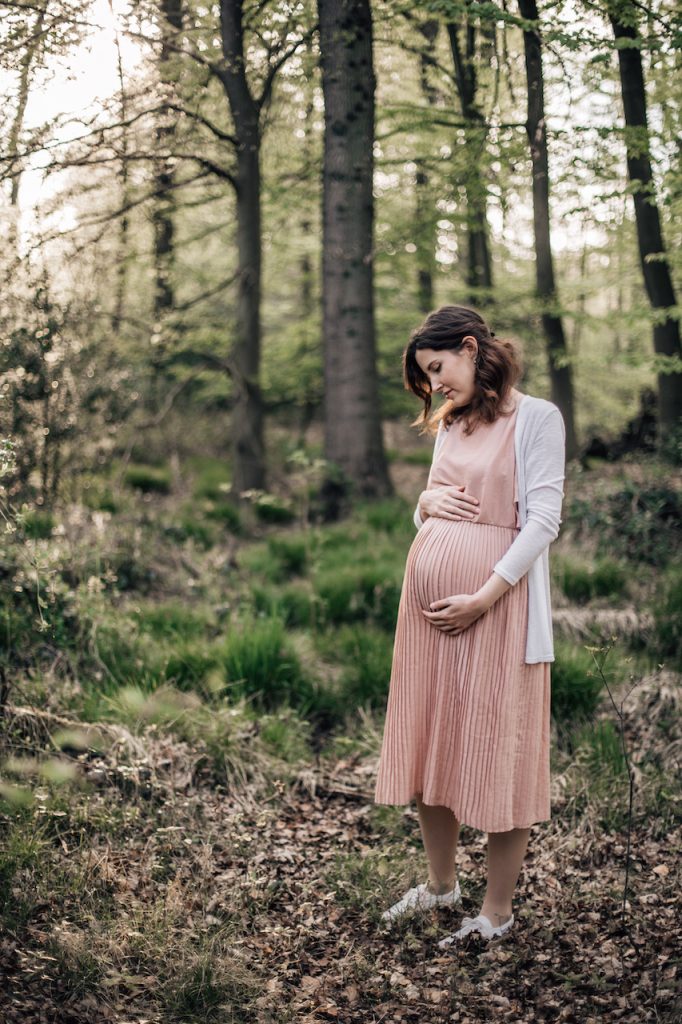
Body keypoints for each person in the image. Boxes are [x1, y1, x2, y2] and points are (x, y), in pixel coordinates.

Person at [374, 304, 566, 945]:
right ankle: (440, 885)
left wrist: (483, 596)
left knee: (498, 750)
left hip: (498, 611)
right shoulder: (452, 423)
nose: (435, 388)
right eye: (426, 379)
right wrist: (421, 505)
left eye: (437, 370)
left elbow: (543, 522)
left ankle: (497, 912)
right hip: (430, 620)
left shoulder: (537, 417)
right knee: (432, 741)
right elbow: (435, 515)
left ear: (469, 347)